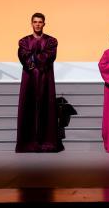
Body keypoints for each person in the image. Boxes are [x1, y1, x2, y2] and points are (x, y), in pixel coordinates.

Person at [15, 13, 64, 152]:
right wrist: (35, 59)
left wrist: (33, 57)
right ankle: (28, 143)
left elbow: (49, 56)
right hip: (29, 79)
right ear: (31, 23)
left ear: (44, 24)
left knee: (45, 107)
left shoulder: (51, 41)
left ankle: (46, 143)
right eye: (35, 22)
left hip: (45, 79)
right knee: (28, 108)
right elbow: (23, 56)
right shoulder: (24, 41)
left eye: (40, 22)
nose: (37, 24)